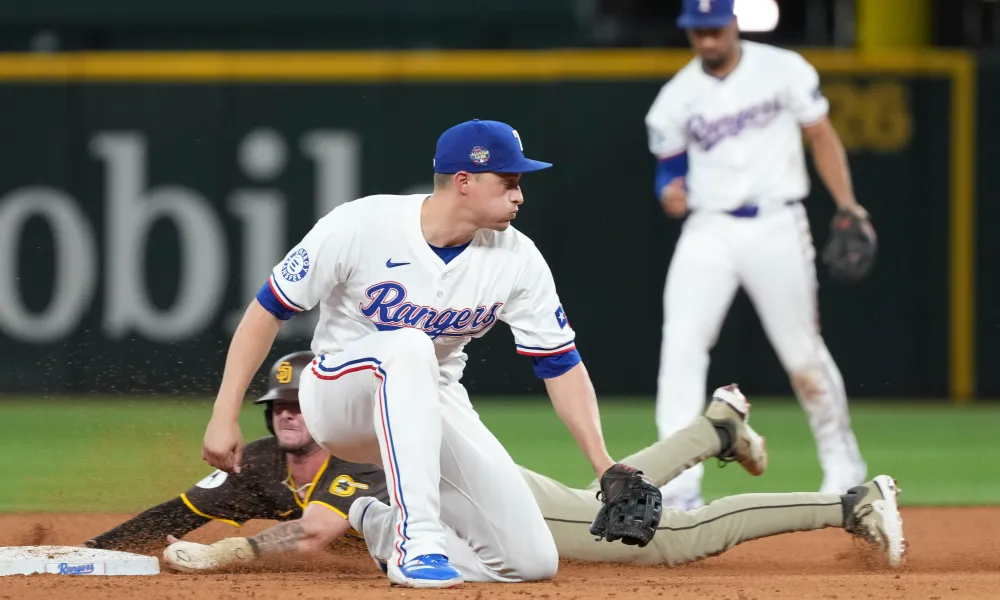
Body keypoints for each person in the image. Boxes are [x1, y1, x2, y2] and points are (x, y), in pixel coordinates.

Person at [199, 119, 639, 588]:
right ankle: (420, 544)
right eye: (508, 182)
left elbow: (559, 362)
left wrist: (603, 463)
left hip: (431, 403)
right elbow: (267, 310)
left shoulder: (518, 258)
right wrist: (224, 412)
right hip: (339, 395)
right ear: (464, 182)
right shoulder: (362, 225)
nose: (519, 195)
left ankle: (381, 526)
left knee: (530, 563)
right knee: (409, 344)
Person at [86, 373, 904, 570]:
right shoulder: (268, 464)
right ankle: (716, 427)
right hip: (486, 494)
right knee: (595, 502)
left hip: (489, 505)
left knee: (669, 541)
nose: (292, 413)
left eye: (306, 400)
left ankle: (851, 502)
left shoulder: (363, 454)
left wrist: (232, 554)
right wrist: (107, 554)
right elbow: (186, 506)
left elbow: (319, 533)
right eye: (281, 403)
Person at [644, 0, 870, 509]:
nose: (706, 41)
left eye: (714, 29)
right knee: (680, 351)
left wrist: (847, 205)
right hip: (709, 229)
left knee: (802, 356)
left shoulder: (783, 69)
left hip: (777, 223)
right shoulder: (674, 99)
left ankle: (843, 462)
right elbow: (669, 169)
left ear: (734, 23)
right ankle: (680, 486)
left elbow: (821, 135)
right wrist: (669, 192)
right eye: (697, 31)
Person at [84, 351, 386, 562]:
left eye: (298, 405)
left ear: (326, 412)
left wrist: (219, 555)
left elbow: (312, 534)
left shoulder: (363, 456)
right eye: (278, 406)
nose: (286, 415)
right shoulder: (261, 461)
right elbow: (176, 515)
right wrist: (97, 548)